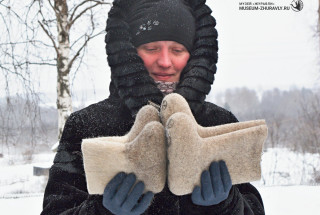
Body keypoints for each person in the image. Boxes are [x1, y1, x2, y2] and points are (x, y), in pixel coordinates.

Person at [41, 0, 265, 214]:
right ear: (129, 52)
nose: (165, 62)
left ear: (194, 55)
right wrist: (100, 211)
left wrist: (228, 206)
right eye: (151, 48)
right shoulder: (87, 127)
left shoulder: (219, 123)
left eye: (177, 50)